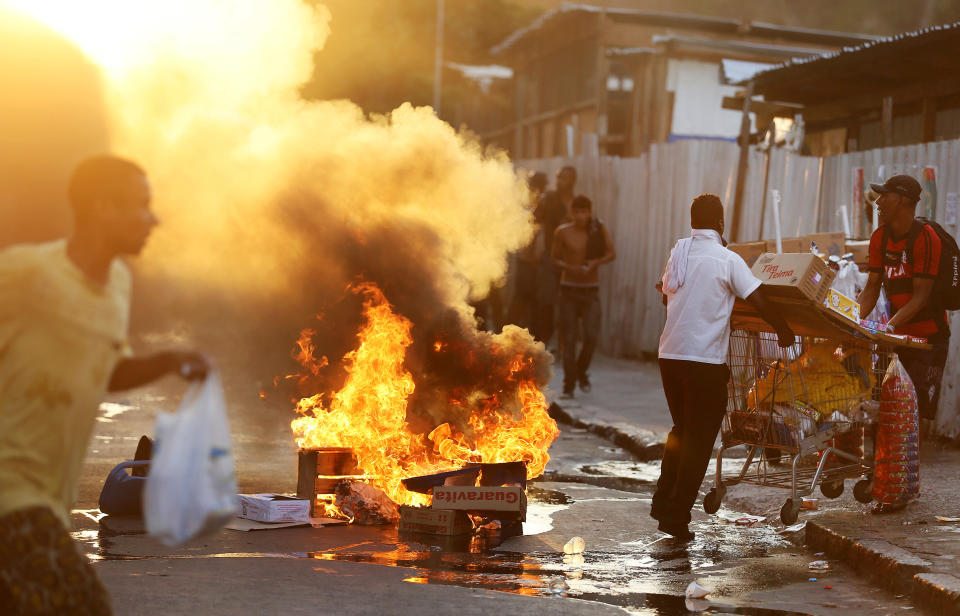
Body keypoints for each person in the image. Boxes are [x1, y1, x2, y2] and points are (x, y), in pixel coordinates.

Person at [0, 155, 209, 614]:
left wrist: (171, 361)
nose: (154, 218)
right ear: (102, 208)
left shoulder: (117, 284)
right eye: (142, 205)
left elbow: (106, 371)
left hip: (48, 502)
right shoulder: (25, 275)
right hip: (12, 498)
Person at [652, 194, 794, 541]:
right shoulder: (727, 260)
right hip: (702, 361)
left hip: (670, 356)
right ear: (720, 223)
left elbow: (664, 296)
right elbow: (757, 297)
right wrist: (783, 329)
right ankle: (676, 516)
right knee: (699, 440)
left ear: (692, 222)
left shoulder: (679, 252)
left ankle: (663, 504)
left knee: (682, 431)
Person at [857, 174, 950, 430]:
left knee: (912, 415)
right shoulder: (880, 237)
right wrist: (850, 319)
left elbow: (921, 297)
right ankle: (879, 470)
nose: (878, 201)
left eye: (884, 195)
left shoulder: (926, 238)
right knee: (881, 407)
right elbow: (871, 289)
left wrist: (888, 327)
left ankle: (907, 470)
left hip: (928, 341)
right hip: (895, 338)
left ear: (902, 200)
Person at [552, 195, 615, 398]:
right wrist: (569, 267)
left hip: (590, 290)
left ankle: (581, 371)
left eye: (584, 212)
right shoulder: (562, 232)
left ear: (590, 212)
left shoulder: (597, 229)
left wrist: (595, 263)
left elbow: (611, 253)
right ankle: (569, 385)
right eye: (576, 212)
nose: (580, 216)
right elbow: (553, 259)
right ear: (571, 212)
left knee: (591, 336)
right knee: (568, 339)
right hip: (568, 289)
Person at [532, 166, 577, 345]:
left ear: (572, 181)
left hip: (571, 259)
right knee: (546, 301)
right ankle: (545, 339)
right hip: (550, 256)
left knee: (567, 304)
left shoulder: (575, 203)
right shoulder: (550, 198)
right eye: (558, 177)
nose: (560, 181)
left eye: (564, 178)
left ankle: (562, 342)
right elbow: (535, 220)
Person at [507, 171, 548, 330]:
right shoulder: (528, 204)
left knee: (532, 302)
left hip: (536, 262)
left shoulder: (544, 202)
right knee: (523, 299)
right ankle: (513, 333)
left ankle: (526, 337)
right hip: (527, 261)